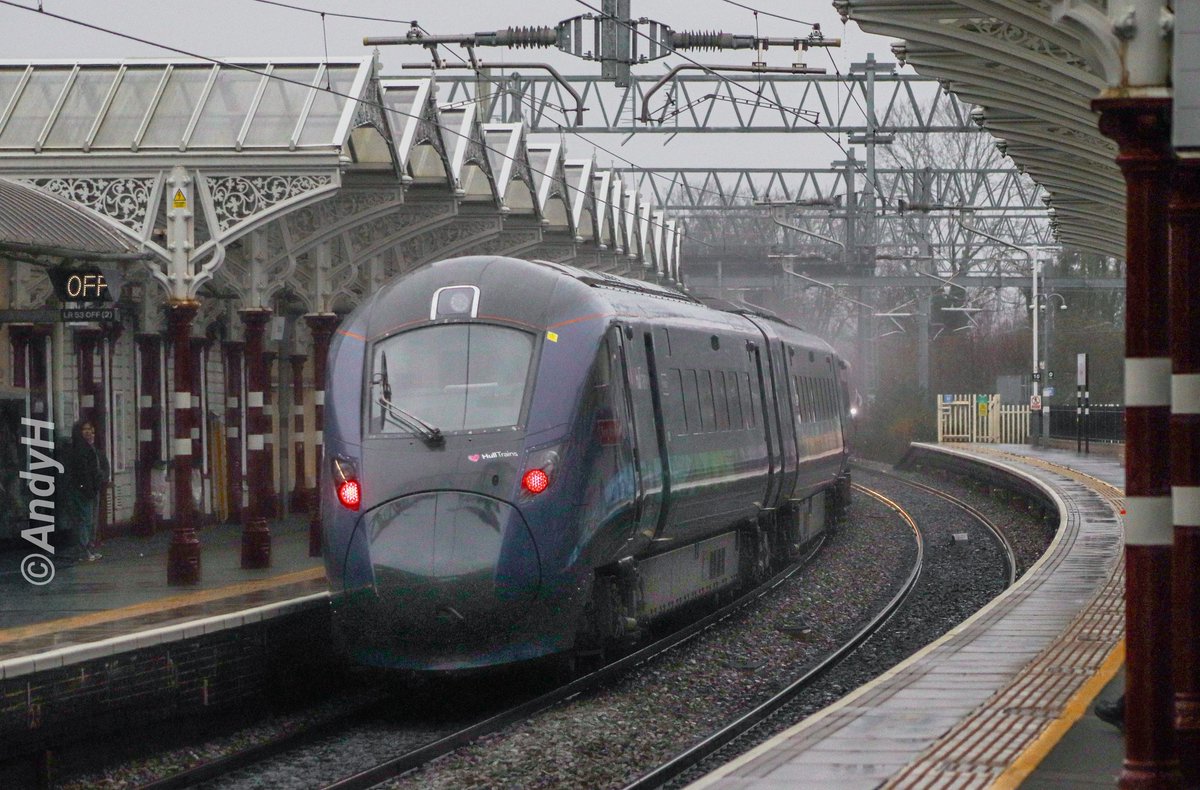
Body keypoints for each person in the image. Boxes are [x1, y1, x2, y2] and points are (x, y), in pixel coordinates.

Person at [62, 420, 110, 562]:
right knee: (85, 519)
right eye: (85, 430)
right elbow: (82, 471)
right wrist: (87, 487)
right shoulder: (80, 450)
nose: (89, 433)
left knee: (89, 519)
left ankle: (88, 547)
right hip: (82, 490)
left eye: (91, 430)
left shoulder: (90, 450)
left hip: (90, 489)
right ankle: (84, 549)